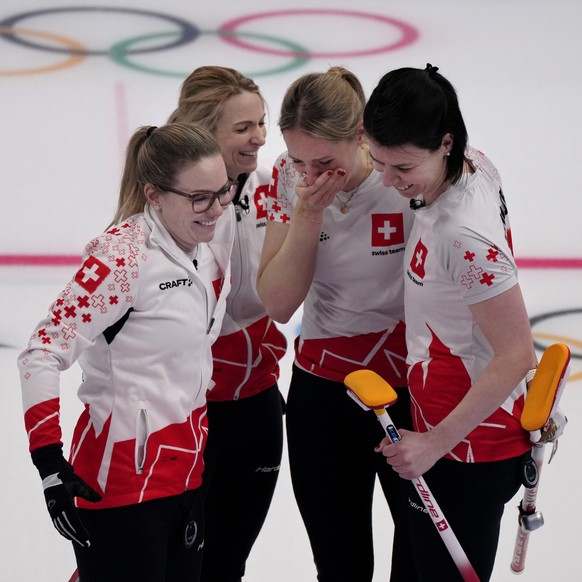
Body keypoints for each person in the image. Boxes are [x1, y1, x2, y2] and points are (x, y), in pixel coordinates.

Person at [17, 122, 236, 582]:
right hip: (119, 483)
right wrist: (49, 463)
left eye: (223, 191)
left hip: (187, 472)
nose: (216, 209)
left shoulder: (210, 241)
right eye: (200, 197)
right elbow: (42, 350)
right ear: (154, 194)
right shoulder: (122, 259)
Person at [363, 63, 536, 581]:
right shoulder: (468, 163)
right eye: (378, 161)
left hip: (468, 447)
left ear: (445, 143)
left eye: (402, 168)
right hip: (443, 422)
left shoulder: (464, 236)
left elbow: (516, 353)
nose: (389, 181)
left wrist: (434, 443)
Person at [256, 66, 417, 582]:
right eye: (299, 159)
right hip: (324, 391)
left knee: (418, 560)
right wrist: (306, 218)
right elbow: (279, 303)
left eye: (324, 161)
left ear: (362, 136)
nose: (309, 174)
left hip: (408, 388)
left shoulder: (405, 174)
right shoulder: (289, 177)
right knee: (340, 564)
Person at [167, 66, 287, 582]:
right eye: (244, 128)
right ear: (205, 130)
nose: (260, 137)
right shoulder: (167, 205)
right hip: (187, 412)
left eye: (261, 123)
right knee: (172, 565)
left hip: (256, 403)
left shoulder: (274, 189)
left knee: (225, 565)